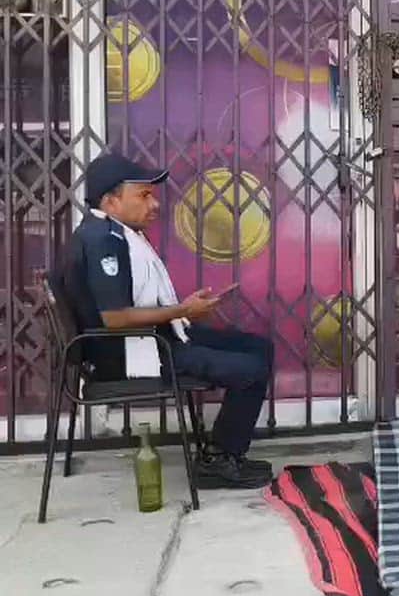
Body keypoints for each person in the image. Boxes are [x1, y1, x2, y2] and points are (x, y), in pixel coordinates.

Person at [62, 152, 273, 488]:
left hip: (154, 338)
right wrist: (183, 311)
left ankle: (223, 452)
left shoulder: (114, 232)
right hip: (134, 355)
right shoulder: (102, 240)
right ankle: (219, 461)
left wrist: (185, 310)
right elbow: (115, 318)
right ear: (111, 201)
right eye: (144, 195)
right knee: (251, 369)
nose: (155, 204)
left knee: (259, 347)